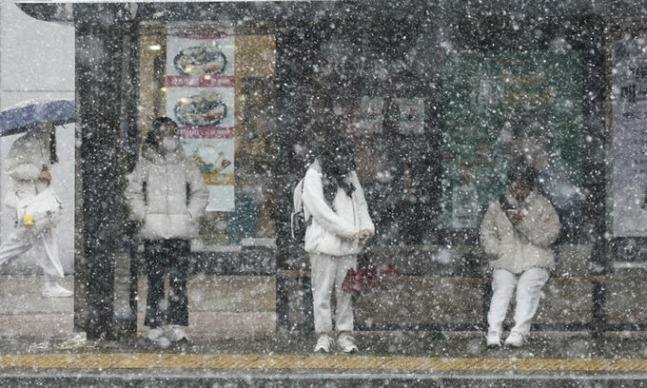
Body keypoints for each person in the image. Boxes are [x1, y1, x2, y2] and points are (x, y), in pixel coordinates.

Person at [125, 117, 208, 349]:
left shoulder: (185, 163)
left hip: (180, 232)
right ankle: (156, 327)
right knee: (155, 282)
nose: (171, 139)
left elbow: (200, 191)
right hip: (155, 232)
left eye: (173, 133)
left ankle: (178, 327)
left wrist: (190, 215)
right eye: (165, 134)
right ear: (156, 137)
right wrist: (145, 215)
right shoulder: (145, 164)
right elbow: (132, 193)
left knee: (179, 281)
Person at [302, 135, 375, 353]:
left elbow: (360, 204)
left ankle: (345, 334)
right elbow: (321, 212)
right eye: (341, 154)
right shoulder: (314, 175)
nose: (345, 159)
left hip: (349, 245)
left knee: (346, 292)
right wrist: (350, 231)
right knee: (322, 292)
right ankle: (323, 335)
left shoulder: (349, 175)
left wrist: (366, 228)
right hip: (323, 245)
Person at [480, 161, 561, 348]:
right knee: (502, 289)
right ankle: (494, 331)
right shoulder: (498, 206)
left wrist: (523, 224)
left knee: (527, 289)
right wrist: (496, 251)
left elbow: (550, 235)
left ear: (531, 186)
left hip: (536, 260)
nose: (518, 190)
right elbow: (487, 232)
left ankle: (518, 332)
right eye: (515, 185)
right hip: (506, 259)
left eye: (523, 186)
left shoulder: (543, 206)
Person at [0, 123, 72, 298]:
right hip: (29, 202)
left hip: (40, 202)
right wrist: (39, 172)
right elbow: (11, 168)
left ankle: (51, 283)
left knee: (37, 241)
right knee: (24, 241)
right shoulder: (22, 143)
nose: (50, 128)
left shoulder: (45, 143)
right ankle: (51, 284)